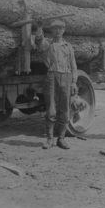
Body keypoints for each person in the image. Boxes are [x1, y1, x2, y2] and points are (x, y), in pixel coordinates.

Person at [34, 19, 78, 150]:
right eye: (55, 29)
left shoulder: (68, 47)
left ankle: (62, 139)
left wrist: (74, 82)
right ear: (51, 31)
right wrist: (39, 27)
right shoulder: (48, 44)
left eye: (60, 28)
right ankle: (49, 139)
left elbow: (73, 66)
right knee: (51, 109)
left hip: (66, 77)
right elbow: (38, 41)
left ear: (64, 30)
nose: (58, 31)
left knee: (64, 109)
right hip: (52, 76)